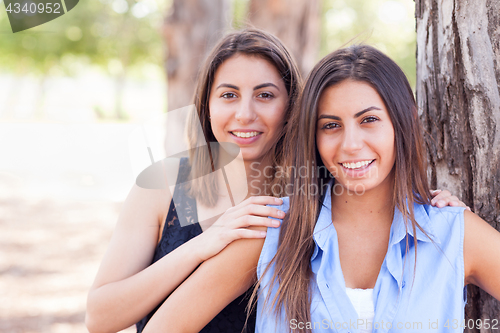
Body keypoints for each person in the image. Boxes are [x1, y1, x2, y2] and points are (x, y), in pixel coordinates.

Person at [85, 29, 465, 333]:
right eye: (228, 95)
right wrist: (204, 246)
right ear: (208, 105)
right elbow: (100, 319)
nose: (244, 114)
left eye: (265, 95)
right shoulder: (172, 184)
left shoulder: (306, 198)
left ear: (292, 108)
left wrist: (430, 208)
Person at [255, 45, 500, 332]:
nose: (351, 144)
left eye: (369, 120)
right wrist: (200, 248)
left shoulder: (453, 233)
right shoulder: (274, 227)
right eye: (331, 125)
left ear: (404, 121)